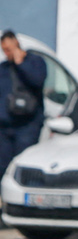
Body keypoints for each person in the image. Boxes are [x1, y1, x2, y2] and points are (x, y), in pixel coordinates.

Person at [0, 30, 47, 180]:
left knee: (23, 166)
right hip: (5, 128)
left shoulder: (35, 62)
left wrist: (21, 63)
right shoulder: (3, 69)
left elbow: (37, 80)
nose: (7, 53)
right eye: (4, 50)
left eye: (9, 49)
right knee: (3, 167)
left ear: (17, 44)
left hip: (28, 126)